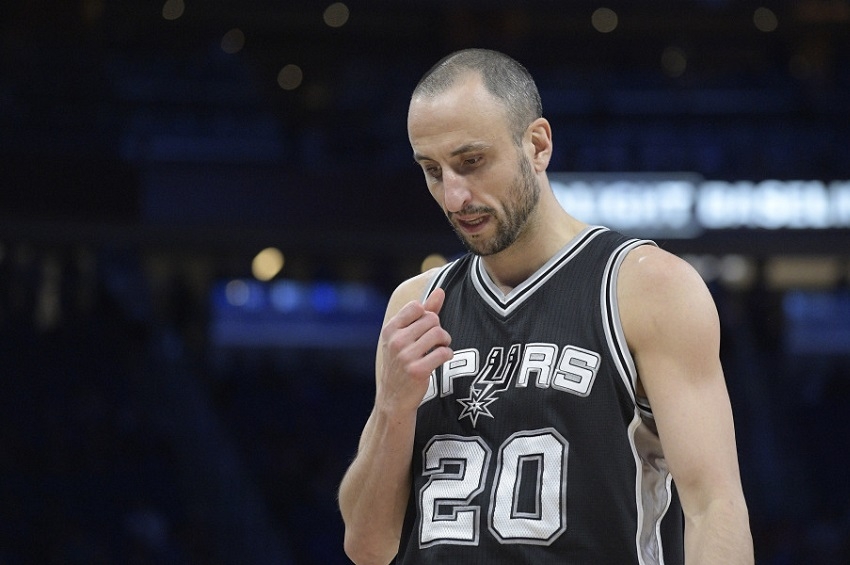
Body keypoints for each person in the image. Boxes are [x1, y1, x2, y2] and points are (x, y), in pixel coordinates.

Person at [338, 48, 753, 565]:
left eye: (471, 162)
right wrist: (392, 409)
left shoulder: (646, 287)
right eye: (432, 170)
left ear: (536, 145)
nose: (454, 196)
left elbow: (716, 508)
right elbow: (367, 546)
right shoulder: (416, 304)